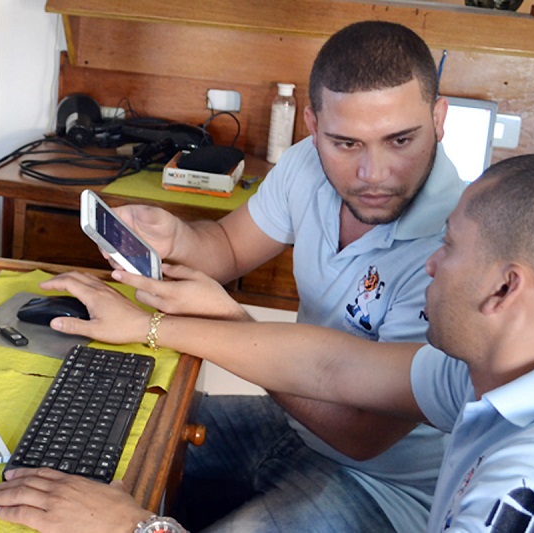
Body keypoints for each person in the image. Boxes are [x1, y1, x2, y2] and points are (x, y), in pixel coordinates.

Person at [0, 154, 534, 532]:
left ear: (504, 287)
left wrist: (133, 528)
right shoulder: (487, 369)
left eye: (450, 248)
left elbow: (352, 418)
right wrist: (151, 326)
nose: (433, 265)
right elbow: (333, 367)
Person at [69, 20, 464, 532]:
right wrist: (176, 238)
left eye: (400, 140)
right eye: (345, 143)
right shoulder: (306, 165)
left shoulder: (457, 247)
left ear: (439, 117)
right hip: (290, 423)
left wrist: (231, 323)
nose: (373, 173)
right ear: (311, 124)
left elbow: (363, 434)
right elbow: (229, 246)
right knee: (107, 435)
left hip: (384, 485)